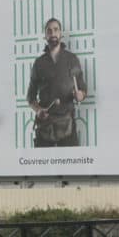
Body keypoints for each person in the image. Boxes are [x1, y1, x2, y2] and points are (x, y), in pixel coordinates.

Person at [26, 18, 87, 147]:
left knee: (71, 165)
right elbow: (30, 97)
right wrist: (38, 110)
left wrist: (79, 95)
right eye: (49, 31)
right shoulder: (39, 63)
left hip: (67, 124)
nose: (53, 33)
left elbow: (82, 89)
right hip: (45, 125)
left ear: (61, 34)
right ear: (45, 36)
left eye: (56, 30)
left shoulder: (72, 59)